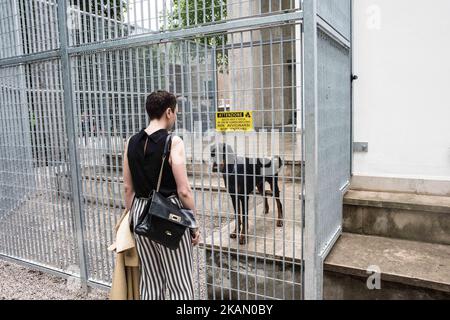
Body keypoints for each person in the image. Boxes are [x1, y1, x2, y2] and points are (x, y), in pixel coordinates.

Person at [122, 90, 200, 300]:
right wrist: (193, 223)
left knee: (150, 280)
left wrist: (133, 218)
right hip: (169, 215)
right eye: (175, 112)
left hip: (139, 212)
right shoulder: (173, 142)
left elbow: (128, 189)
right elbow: (183, 190)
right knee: (179, 283)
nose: (175, 116)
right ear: (168, 112)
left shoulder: (130, 142)